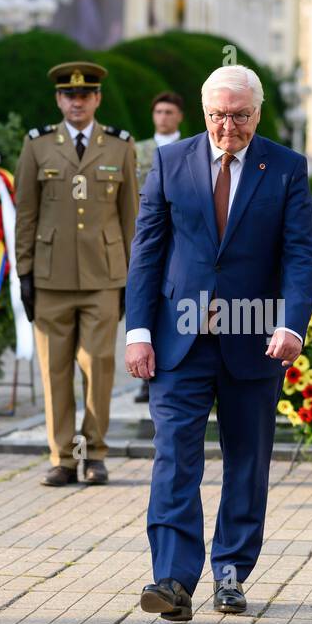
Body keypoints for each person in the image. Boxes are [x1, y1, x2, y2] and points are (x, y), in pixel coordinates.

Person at [123, 65, 312, 620]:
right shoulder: (169, 161)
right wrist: (138, 331)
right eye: (217, 115)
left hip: (253, 340)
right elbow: (147, 252)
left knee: (247, 461)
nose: (226, 126)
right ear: (203, 112)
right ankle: (173, 579)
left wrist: (292, 323)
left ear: (257, 113)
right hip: (176, 342)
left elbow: (302, 255)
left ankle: (230, 575)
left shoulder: (285, 168)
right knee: (175, 459)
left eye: (238, 115)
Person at [14, 61, 139, 487]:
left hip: (104, 277)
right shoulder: (37, 146)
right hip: (50, 278)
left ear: (97, 99)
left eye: (85, 95)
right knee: (55, 369)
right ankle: (63, 457)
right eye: (70, 95)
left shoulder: (120, 147)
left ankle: (95, 453)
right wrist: (24, 273)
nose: (77, 102)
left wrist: (132, 278)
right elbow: (25, 215)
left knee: (99, 364)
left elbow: (131, 220)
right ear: (59, 99)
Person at [130, 91, 185, 404]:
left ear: (179, 116)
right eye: (158, 112)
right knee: (144, 299)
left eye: (169, 112)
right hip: (146, 236)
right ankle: (142, 373)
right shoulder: (138, 151)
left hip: (177, 242)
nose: (163, 117)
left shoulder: (192, 149)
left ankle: (164, 365)